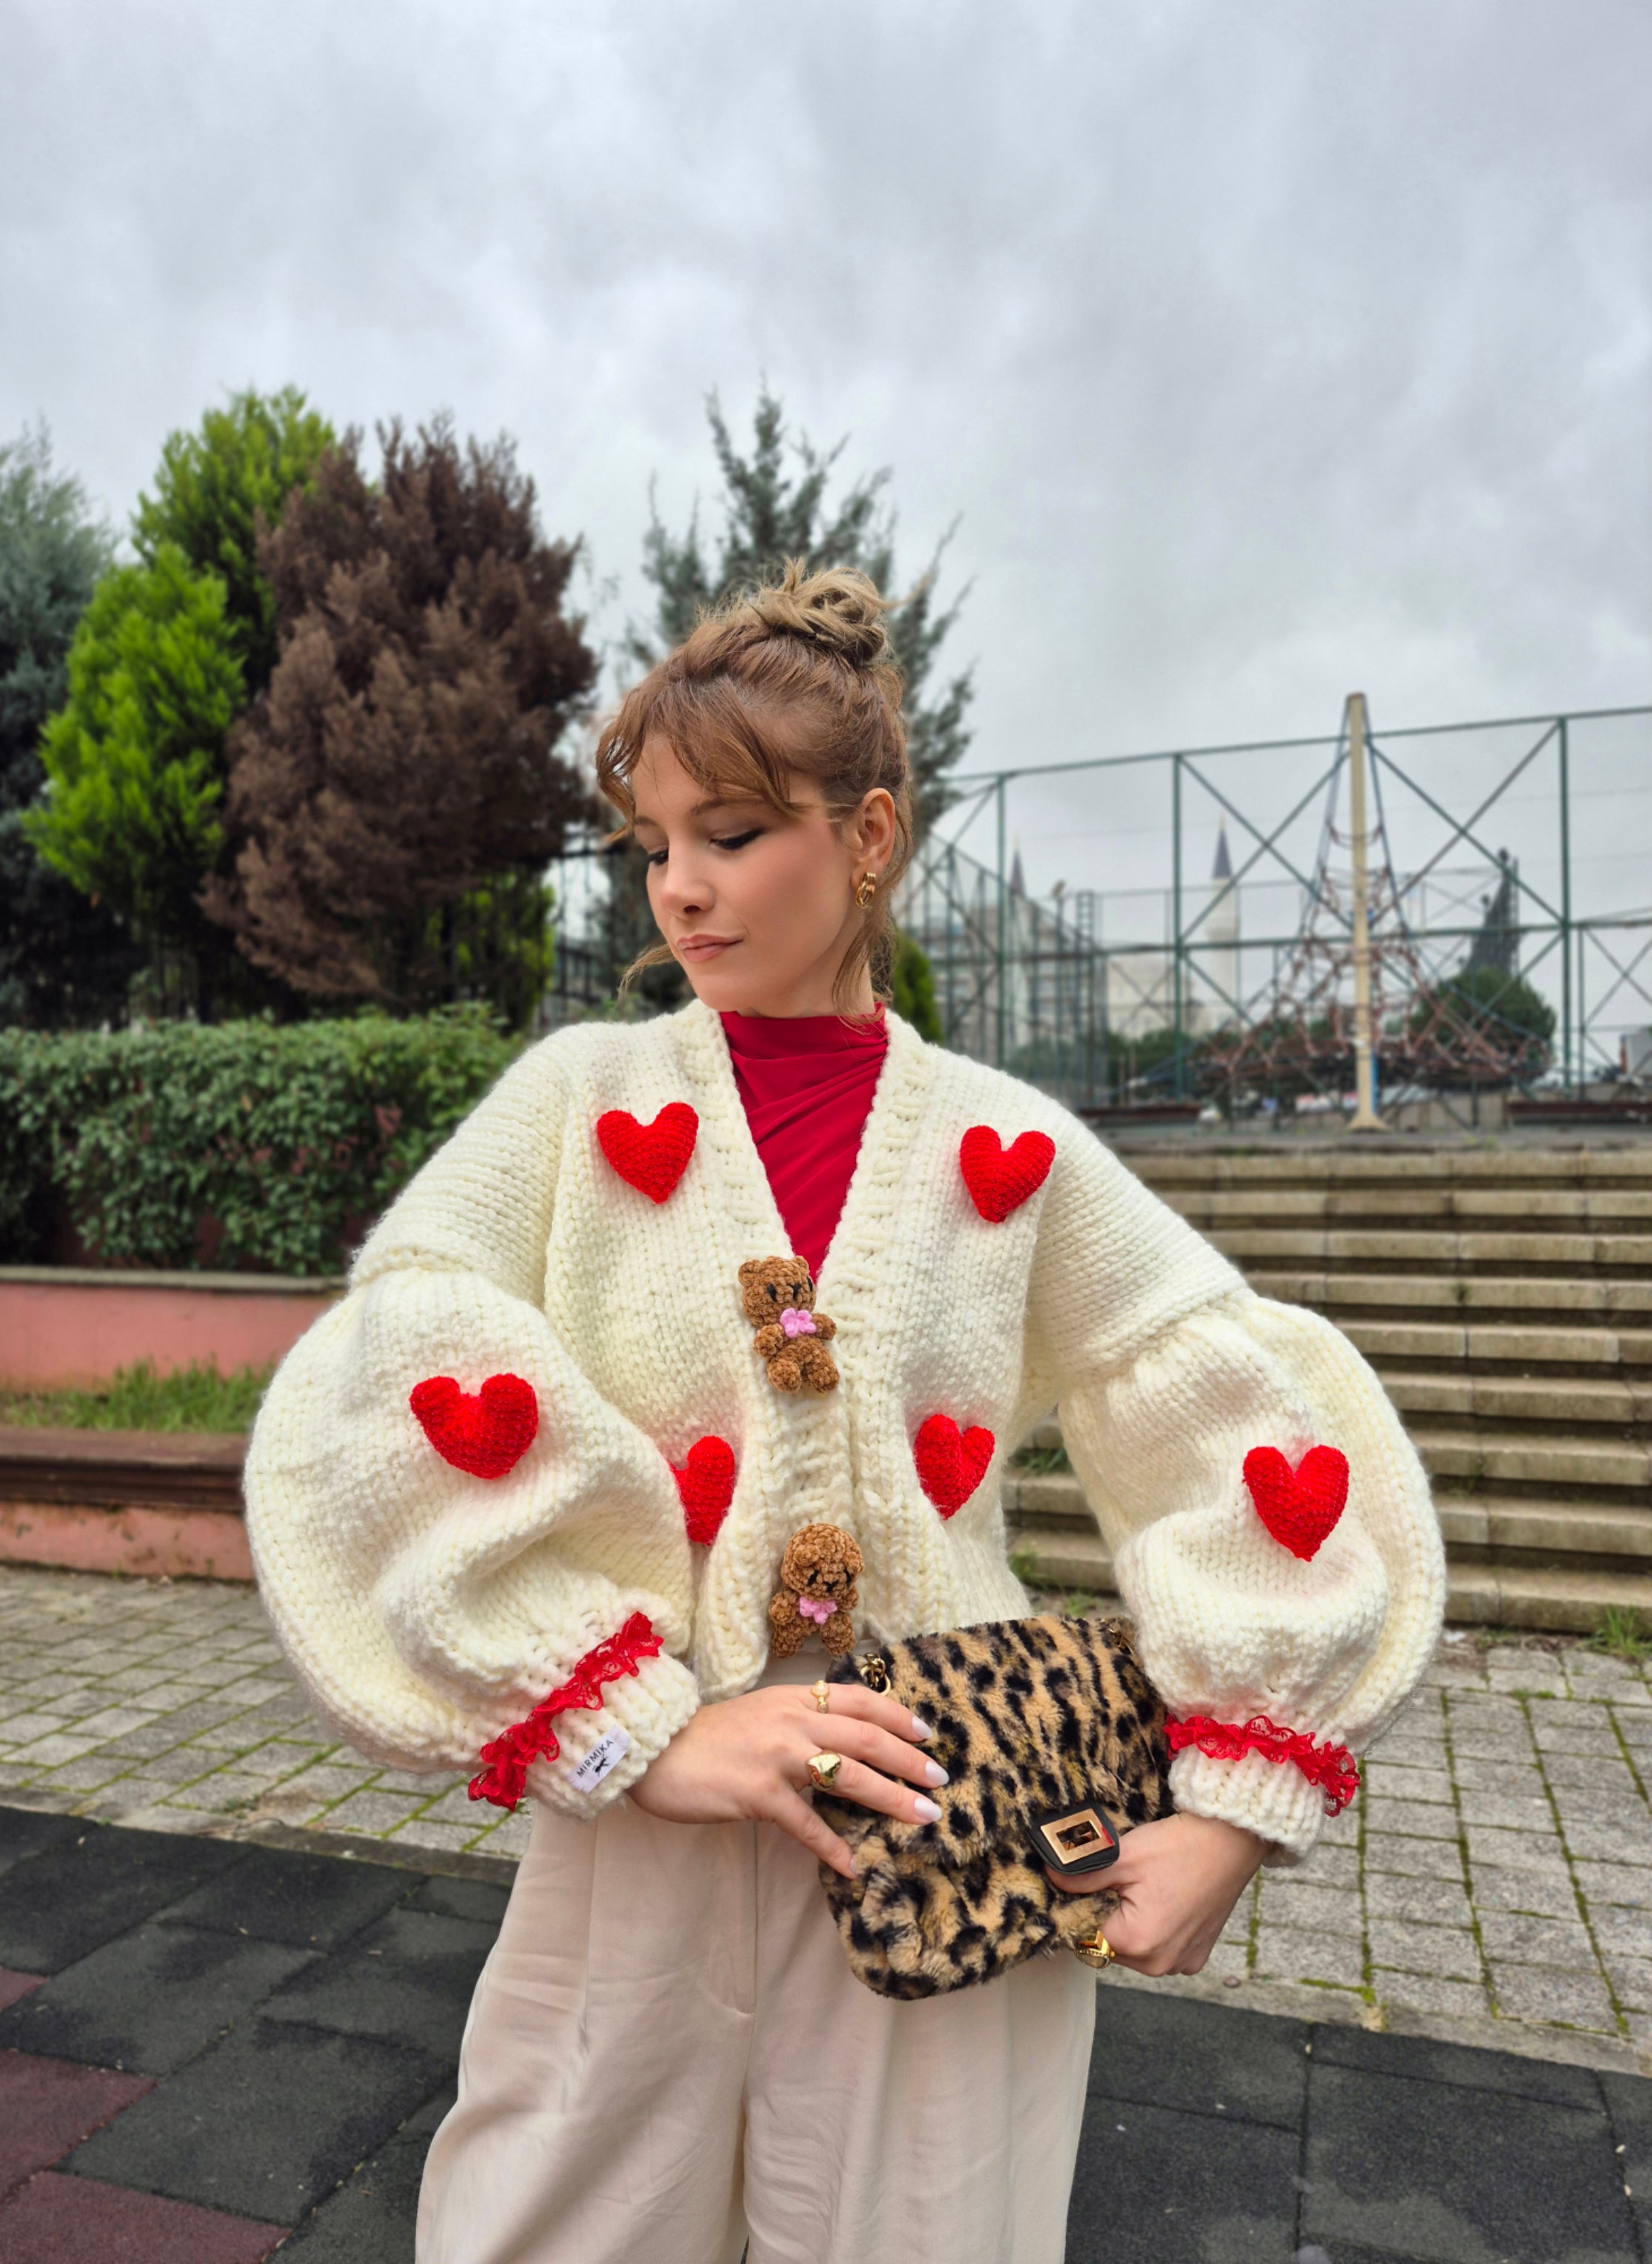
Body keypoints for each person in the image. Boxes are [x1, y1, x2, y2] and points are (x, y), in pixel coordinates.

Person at [243, 563, 1444, 2264]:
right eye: (654, 845)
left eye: (731, 834)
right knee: (548, 2225)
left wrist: (1238, 1807)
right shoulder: (579, 1103)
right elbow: (399, 1356)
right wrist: (643, 1726)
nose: (680, 886)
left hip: (948, 1825)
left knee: (927, 2234)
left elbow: (1226, 1406)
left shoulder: (1007, 1147)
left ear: (867, 834)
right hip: (648, 1831)